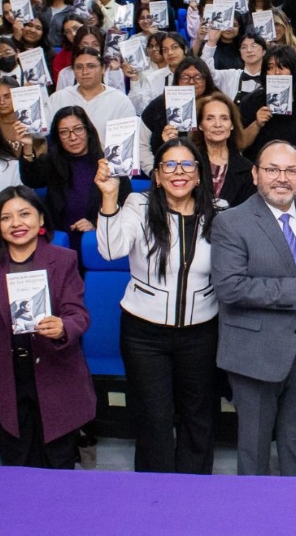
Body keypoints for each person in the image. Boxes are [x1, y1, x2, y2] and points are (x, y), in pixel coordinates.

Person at [209, 141, 296, 476]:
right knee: (253, 450)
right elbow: (229, 287)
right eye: (272, 169)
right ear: (255, 175)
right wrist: (291, 288)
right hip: (254, 352)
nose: (282, 178)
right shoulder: (231, 222)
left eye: (291, 170)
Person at [96, 138, 220, 474]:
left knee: (198, 413)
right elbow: (110, 250)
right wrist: (109, 199)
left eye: (187, 165)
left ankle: (194, 488)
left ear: (199, 174)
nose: (178, 172)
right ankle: (156, 490)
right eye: (169, 165)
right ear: (156, 174)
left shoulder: (219, 213)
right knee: (154, 416)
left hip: (201, 331)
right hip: (144, 333)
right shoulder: (138, 204)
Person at [0, 186, 94, 469]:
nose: (16, 223)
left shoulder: (63, 259)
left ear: (41, 220)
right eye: (6, 218)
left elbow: (78, 314)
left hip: (55, 373)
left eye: (24, 214)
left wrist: (62, 327)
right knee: (17, 462)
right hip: (5, 377)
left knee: (58, 462)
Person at [14, 106, 130, 247]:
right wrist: (27, 147)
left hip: (97, 241)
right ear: (58, 137)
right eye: (64, 132)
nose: (73, 137)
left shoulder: (109, 164)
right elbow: (31, 180)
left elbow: (126, 206)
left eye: (78, 129)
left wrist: (95, 223)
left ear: (88, 131)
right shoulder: (51, 162)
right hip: (59, 241)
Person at [47, 47, 137, 137]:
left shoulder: (120, 101)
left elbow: (127, 142)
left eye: (91, 66)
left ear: (103, 69)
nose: (85, 72)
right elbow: (41, 132)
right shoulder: (58, 98)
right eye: (79, 67)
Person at [191, 91, 255, 210]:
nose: (217, 124)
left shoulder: (247, 169)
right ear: (200, 125)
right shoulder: (188, 162)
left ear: (231, 125)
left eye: (224, 118)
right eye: (210, 118)